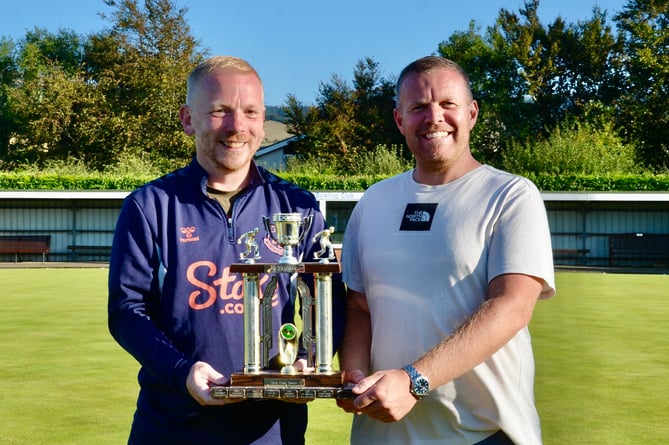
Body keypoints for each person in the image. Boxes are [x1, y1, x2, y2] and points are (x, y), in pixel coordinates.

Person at [108, 56, 343, 444]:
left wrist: (310, 357)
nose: (237, 127)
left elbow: (328, 297)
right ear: (188, 119)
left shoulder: (298, 207)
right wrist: (181, 371)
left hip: (272, 432)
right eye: (219, 111)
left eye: (250, 112)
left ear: (262, 120)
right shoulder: (149, 206)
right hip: (171, 427)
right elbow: (127, 310)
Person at [336, 56, 556, 444]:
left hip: (483, 434)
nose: (434, 117)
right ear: (400, 120)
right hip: (382, 435)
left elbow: (512, 306)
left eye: (447, 104)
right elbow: (358, 305)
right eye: (418, 107)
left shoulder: (510, 195)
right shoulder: (373, 202)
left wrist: (413, 381)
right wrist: (354, 377)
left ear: (471, 113)